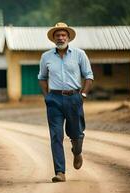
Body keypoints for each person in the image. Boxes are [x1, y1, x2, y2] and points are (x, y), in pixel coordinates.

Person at [38, 22, 94, 182]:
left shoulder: (79, 54)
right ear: (53, 39)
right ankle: (60, 172)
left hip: (74, 98)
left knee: (76, 133)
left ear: (68, 37)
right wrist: (47, 96)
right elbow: (42, 78)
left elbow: (89, 76)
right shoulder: (46, 57)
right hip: (54, 99)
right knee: (56, 135)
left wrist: (82, 94)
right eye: (57, 35)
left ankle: (77, 151)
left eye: (63, 35)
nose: (60, 38)